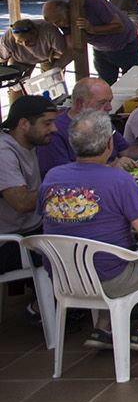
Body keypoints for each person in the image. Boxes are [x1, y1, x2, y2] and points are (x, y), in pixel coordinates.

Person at [39, 112, 138, 351]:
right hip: (112, 279)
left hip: (63, 277)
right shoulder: (119, 180)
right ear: (110, 144)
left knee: (111, 248)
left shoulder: (52, 176)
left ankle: (105, 327)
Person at [0, 96, 57, 274]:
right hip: (11, 242)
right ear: (24, 124)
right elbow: (21, 203)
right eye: (47, 123)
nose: (54, 129)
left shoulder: (27, 144)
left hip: (32, 230)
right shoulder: (4, 152)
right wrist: (64, 188)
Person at [44, 0, 138, 85]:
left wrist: (93, 29)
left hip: (126, 45)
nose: (58, 25)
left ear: (66, 10)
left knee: (134, 82)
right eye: (55, 23)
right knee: (104, 85)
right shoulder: (63, 22)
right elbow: (71, 48)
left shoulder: (93, 3)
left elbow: (118, 26)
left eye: (59, 21)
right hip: (101, 50)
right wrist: (56, 68)